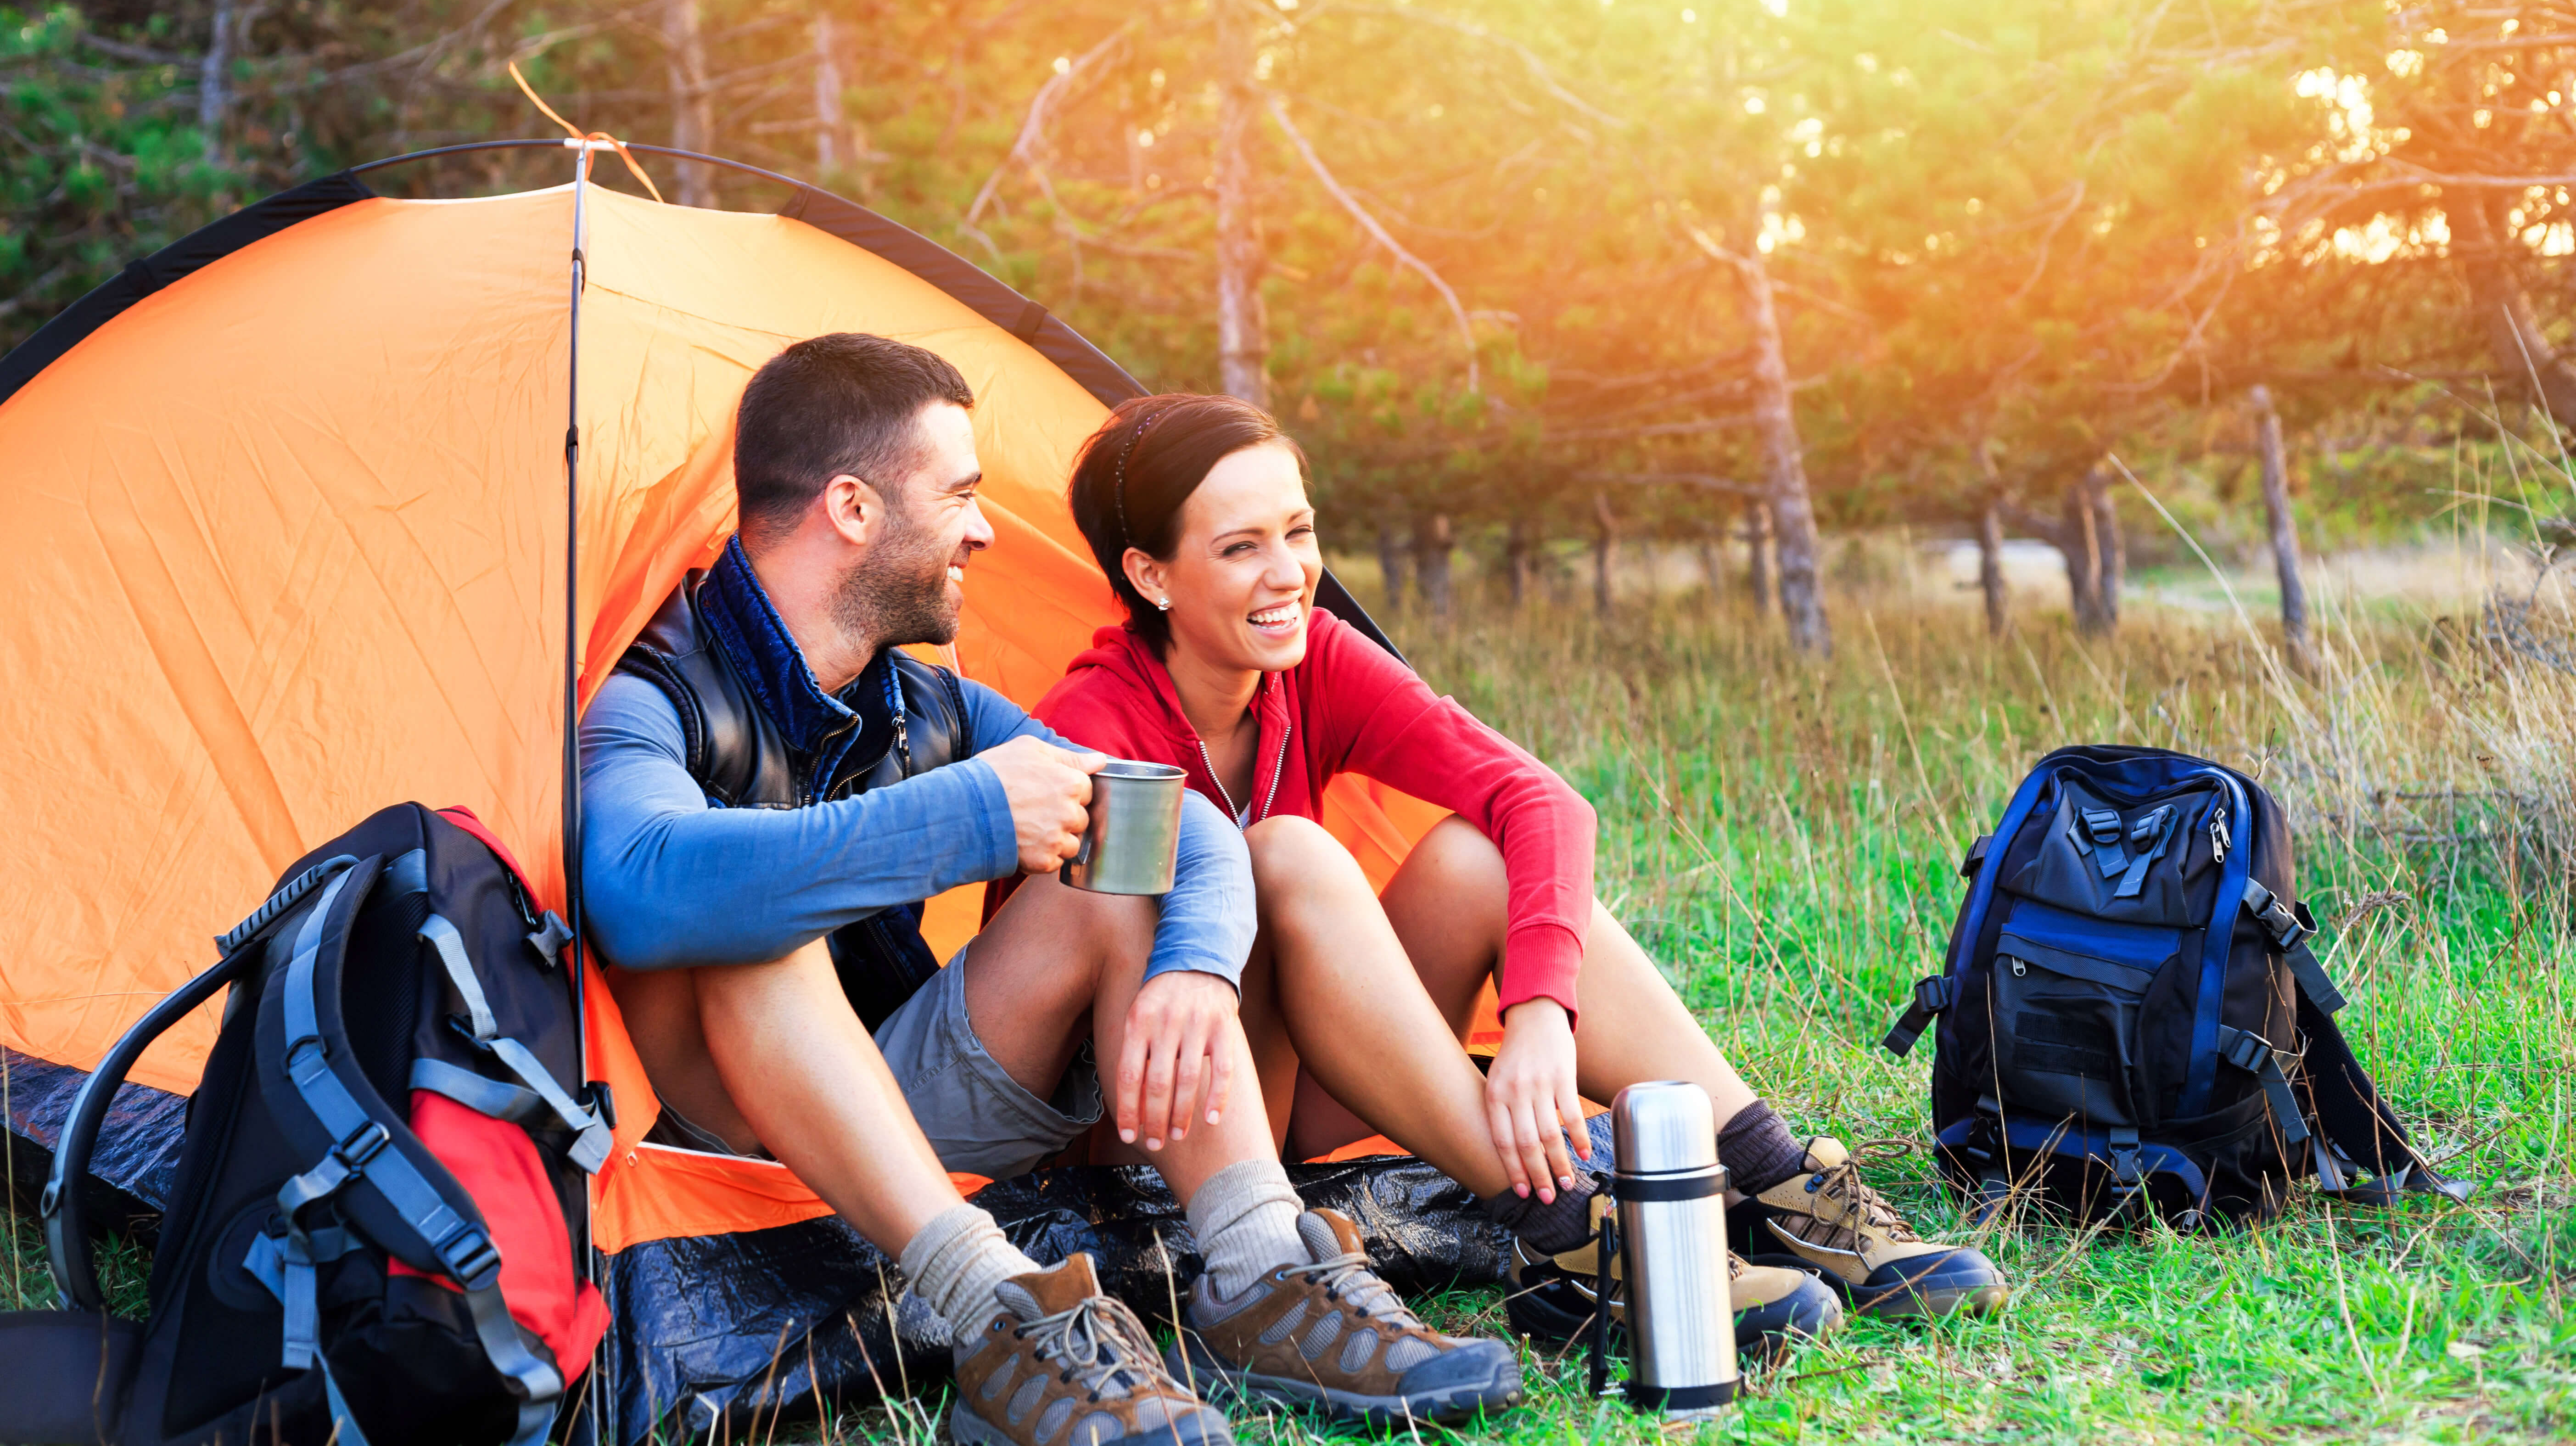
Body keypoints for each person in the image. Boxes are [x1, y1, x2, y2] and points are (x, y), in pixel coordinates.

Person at [578, 336, 1522, 1444]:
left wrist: (1198, 971)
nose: (984, 527)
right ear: (852, 508)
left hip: (898, 1091)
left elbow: (1196, 837)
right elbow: (635, 886)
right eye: (962, 495)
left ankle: (1260, 1272)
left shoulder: (926, 704)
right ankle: (998, 1314)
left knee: (1120, 867)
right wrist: (973, 813)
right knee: (751, 916)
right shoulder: (655, 694)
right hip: (726, 1155)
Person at [1033, 393, 2011, 1350]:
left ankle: (1773, 1182)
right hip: (1159, 1130)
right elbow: (1102, 996)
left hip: (1297, 1098)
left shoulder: (1309, 663)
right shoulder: (1095, 723)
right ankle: (1570, 1239)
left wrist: (1540, 1010)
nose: (1289, 571)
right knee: (1285, 852)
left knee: (1472, 855)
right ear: (1150, 574)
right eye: (1240, 546)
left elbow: (1539, 798)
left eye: (1299, 528)